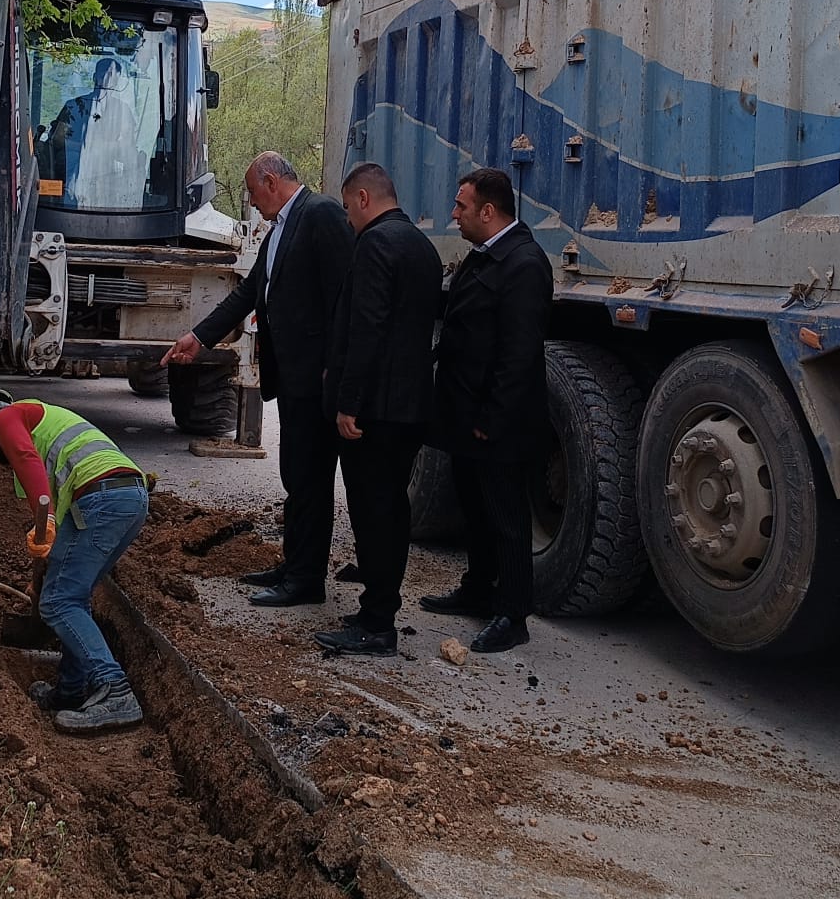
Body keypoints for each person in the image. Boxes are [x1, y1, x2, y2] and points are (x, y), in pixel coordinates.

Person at [163, 151, 351, 606]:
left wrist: (335, 365)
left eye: (251, 190)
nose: (250, 200)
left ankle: (306, 581)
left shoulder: (321, 214)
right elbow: (251, 292)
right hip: (292, 376)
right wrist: (198, 337)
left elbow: (344, 297)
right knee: (296, 475)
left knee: (310, 477)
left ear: (270, 181)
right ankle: (293, 565)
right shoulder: (281, 227)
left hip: (315, 377)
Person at [0, 383, 149, 733]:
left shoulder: (5, 419)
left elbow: (27, 461)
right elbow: (55, 542)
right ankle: (71, 691)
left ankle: (116, 692)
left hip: (101, 498)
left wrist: (43, 517)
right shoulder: (45, 432)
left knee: (60, 603)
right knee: (69, 598)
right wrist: (37, 584)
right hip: (127, 497)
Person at [313, 163, 443, 657]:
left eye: (348, 207)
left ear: (364, 198)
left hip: (377, 408)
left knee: (375, 513)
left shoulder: (374, 244)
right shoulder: (422, 247)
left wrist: (349, 401)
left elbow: (366, 327)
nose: (347, 219)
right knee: (392, 508)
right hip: (409, 404)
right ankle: (376, 611)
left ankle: (377, 624)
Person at [425, 166, 553, 653]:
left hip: (497, 424)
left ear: (488, 210)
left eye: (460, 206)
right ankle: (478, 589)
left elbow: (518, 354)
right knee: (474, 509)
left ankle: (512, 613)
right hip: (465, 416)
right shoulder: (484, 257)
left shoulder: (523, 264)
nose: (453, 214)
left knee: (505, 516)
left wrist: (491, 421)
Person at [46, 56, 144, 207]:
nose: (107, 79)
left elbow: (128, 152)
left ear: (117, 81)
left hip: (108, 182)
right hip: (72, 179)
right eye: (104, 74)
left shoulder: (124, 112)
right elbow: (56, 141)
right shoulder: (73, 107)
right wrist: (85, 149)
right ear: (94, 77)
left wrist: (94, 149)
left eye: (111, 76)